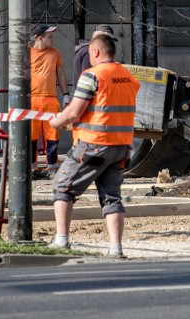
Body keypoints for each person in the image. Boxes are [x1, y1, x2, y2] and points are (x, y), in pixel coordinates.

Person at [48, 33, 140, 258]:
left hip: (93, 145)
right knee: (111, 197)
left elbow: (74, 111)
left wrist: (57, 122)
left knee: (62, 187)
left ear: (96, 52)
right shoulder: (128, 76)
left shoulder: (92, 76)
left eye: (90, 54)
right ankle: (116, 248)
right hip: (121, 147)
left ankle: (61, 241)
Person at [30, 24, 69, 176]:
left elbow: (60, 73)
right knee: (32, 134)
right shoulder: (27, 53)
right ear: (40, 37)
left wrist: (66, 94)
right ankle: (32, 166)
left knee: (53, 134)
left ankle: (52, 166)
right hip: (32, 99)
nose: (52, 39)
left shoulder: (55, 53)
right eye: (49, 36)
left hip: (51, 99)